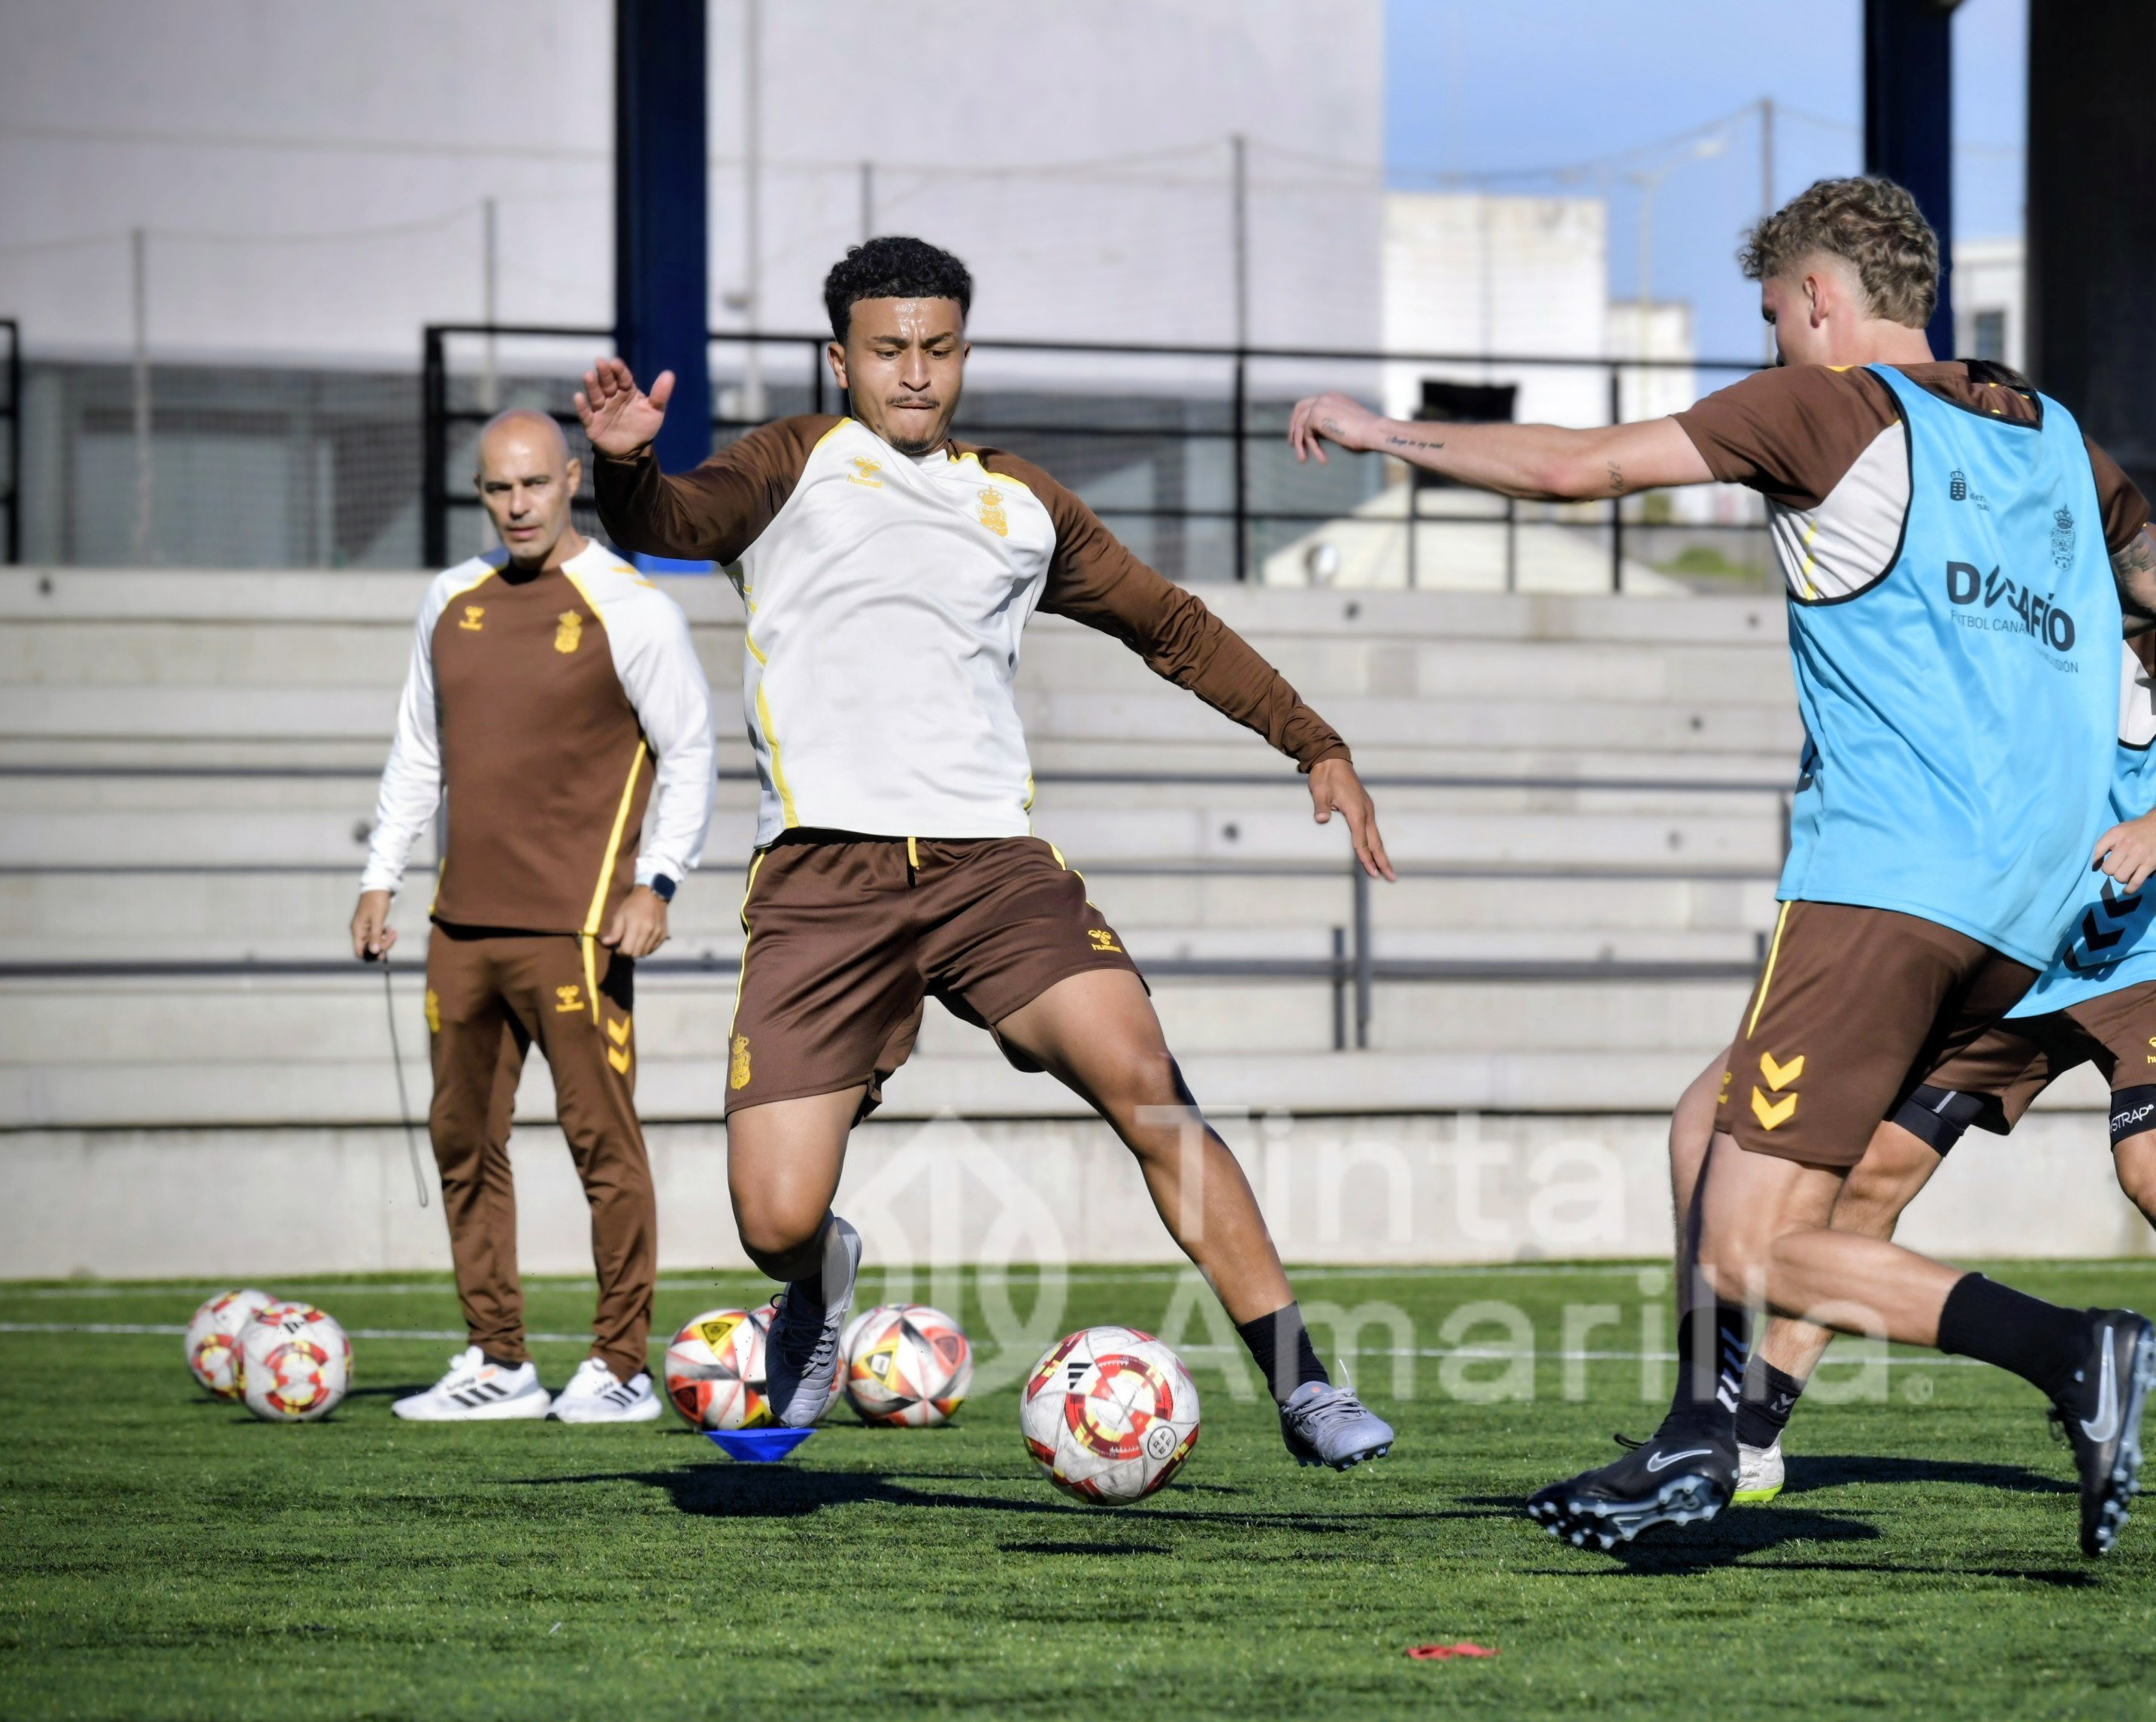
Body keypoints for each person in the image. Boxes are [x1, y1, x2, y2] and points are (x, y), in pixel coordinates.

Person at [1288, 176, 2156, 1555]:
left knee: (1751, 1246)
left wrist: (1377, 429)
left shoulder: (1824, 404)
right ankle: (1700, 1441)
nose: (1771, 344)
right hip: (2029, 906)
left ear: (1821, 301)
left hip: (1886, 885)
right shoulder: (2054, 439)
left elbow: (1574, 468)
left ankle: (2071, 1355)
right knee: (1704, 1128)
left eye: (1775, 316)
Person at [579, 235, 1399, 1468]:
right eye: (888, 349)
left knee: (1151, 1090)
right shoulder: (793, 463)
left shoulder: (1019, 500)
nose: (914, 373)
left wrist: (1311, 739)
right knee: (774, 1214)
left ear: (964, 351)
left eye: (939, 348)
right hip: (822, 883)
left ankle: (1305, 1385)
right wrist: (625, 470)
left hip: (992, 871)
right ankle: (818, 1286)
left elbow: (1166, 624)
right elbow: (677, 520)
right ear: (840, 357)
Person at [1729, 527, 2156, 1512]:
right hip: (2009, 948)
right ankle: (1750, 1436)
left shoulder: (2137, 561)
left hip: (2140, 945)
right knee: (1874, 1177)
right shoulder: (1951, 575)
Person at [355, 408, 716, 1424]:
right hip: (458, 927)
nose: (516, 506)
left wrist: (661, 882)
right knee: (462, 1143)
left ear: (570, 480)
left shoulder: (629, 607)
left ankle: (620, 1366)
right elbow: (418, 752)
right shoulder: (450, 598)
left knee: (603, 1146)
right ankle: (498, 1359)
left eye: (533, 485)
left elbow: (690, 752)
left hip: (578, 929)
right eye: (496, 489)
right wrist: (381, 875)